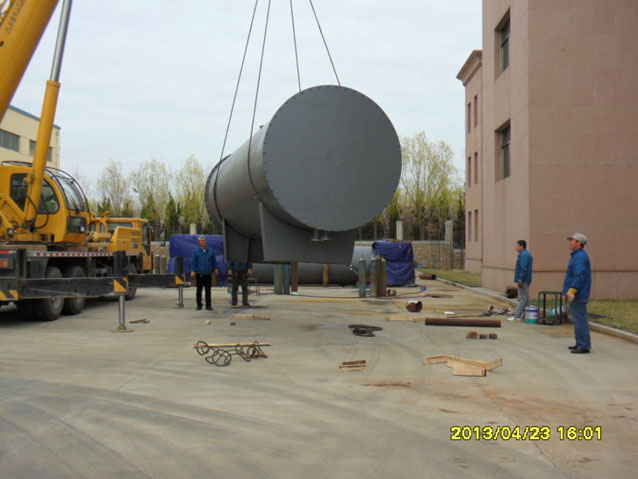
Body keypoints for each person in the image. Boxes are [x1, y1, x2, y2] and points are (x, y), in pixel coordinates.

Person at [563, 233, 592, 354]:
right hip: (577, 292)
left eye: (572, 240)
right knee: (578, 319)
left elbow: (578, 276)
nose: (570, 242)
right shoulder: (577, 255)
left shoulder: (580, 257)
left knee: (580, 320)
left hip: (578, 293)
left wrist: (572, 290)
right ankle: (580, 342)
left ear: (579, 243)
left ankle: (583, 345)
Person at [190, 236, 218, 311]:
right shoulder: (196, 252)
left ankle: (208, 305)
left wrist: (215, 269)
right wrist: (193, 271)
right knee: (199, 290)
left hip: (208, 274)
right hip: (199, 274)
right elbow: (193, 263)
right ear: (199, 243)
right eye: (202, 241)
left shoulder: (211, 251)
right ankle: (199, 305)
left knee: (208, 291)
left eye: (204, 240)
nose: (204, 242)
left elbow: (214, 262)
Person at [508, 240, 533, 321]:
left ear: (522, 246)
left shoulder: (524, 255)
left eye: (517, 245)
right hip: (526, 279)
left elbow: (523, 268)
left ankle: (517, 316)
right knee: (526, 298)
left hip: (523, 280)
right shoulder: (526, 254)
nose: (516, 247)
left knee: (521, 298)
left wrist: (520, 279)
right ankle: (527, 315)